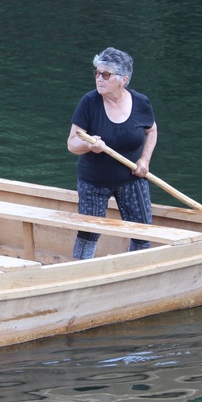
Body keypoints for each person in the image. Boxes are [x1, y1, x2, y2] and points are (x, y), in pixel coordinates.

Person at [66, 47, 158, 260]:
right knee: (88, 233)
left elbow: (151, 130)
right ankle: (79, 274)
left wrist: (145, 160)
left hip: (132, 178)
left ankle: (137, 273)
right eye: (96, 73)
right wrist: (89, 146)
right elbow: (72, 143)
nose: (99, 78)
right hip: (94, 182)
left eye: (105, 75)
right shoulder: (89, 102)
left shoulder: (141, 102)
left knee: (142, 231)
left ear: (123, 79)